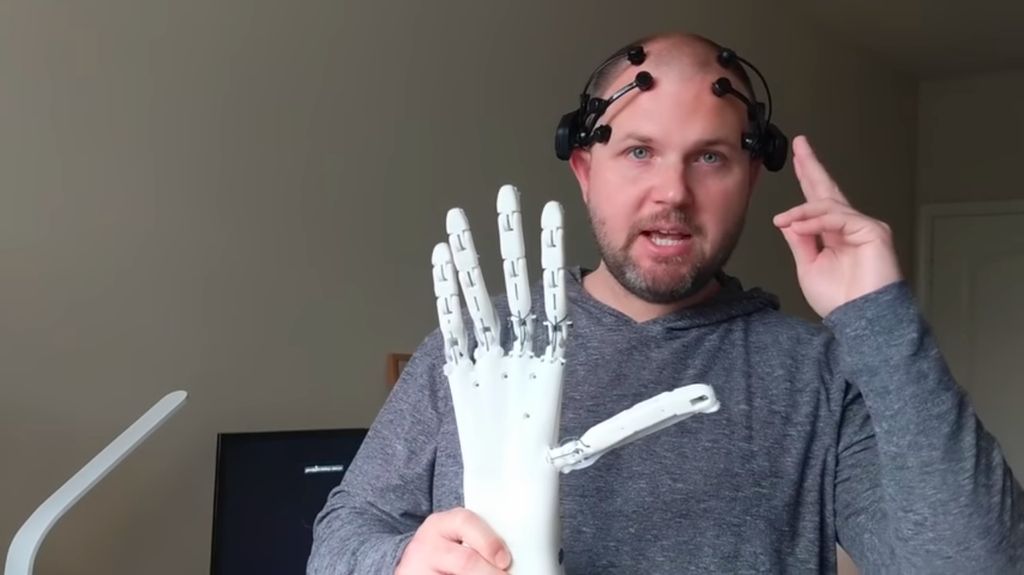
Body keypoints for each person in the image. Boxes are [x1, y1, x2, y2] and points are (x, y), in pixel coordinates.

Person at [307, 32, 1023, 574]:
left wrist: (879, 316)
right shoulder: (478, 347)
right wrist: (399, 560)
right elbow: (341, 536)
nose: (672, 194)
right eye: (640, 152)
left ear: (749, 175)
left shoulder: (820, 374)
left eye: (709, 156)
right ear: (586, 170)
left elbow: (978, 561)